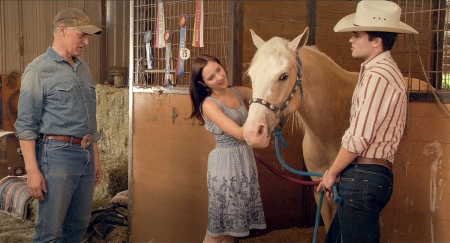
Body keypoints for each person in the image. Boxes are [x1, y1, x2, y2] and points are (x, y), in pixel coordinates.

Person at [316, 1, 418, 242]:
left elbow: (360, 136)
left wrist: (332, 172)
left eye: (356, 35)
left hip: (363, 176)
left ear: (376, 41)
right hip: (365, 174)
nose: (351, 40)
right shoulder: (383, 71)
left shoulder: (377, 75)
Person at [14, 8, 103, 243]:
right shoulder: (38, 70)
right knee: (50, 232)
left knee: (78, 226)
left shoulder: (82, 68)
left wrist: (95, 159)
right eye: (82, 35)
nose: (86, 42)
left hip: (85, 155)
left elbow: (90, 120)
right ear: (62, 30)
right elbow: (25, 125)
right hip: (56, 156)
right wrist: (32, 172)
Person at [188, 54, 266, 243]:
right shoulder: (209, 105)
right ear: (203, 83)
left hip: (243, 159)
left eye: (218, 70)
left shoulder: (238, 92)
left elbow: (264, 96)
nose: (219, 77)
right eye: (211, 77)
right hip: (226, 163)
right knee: (219, 229)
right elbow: (239, 133)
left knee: (233, 229)